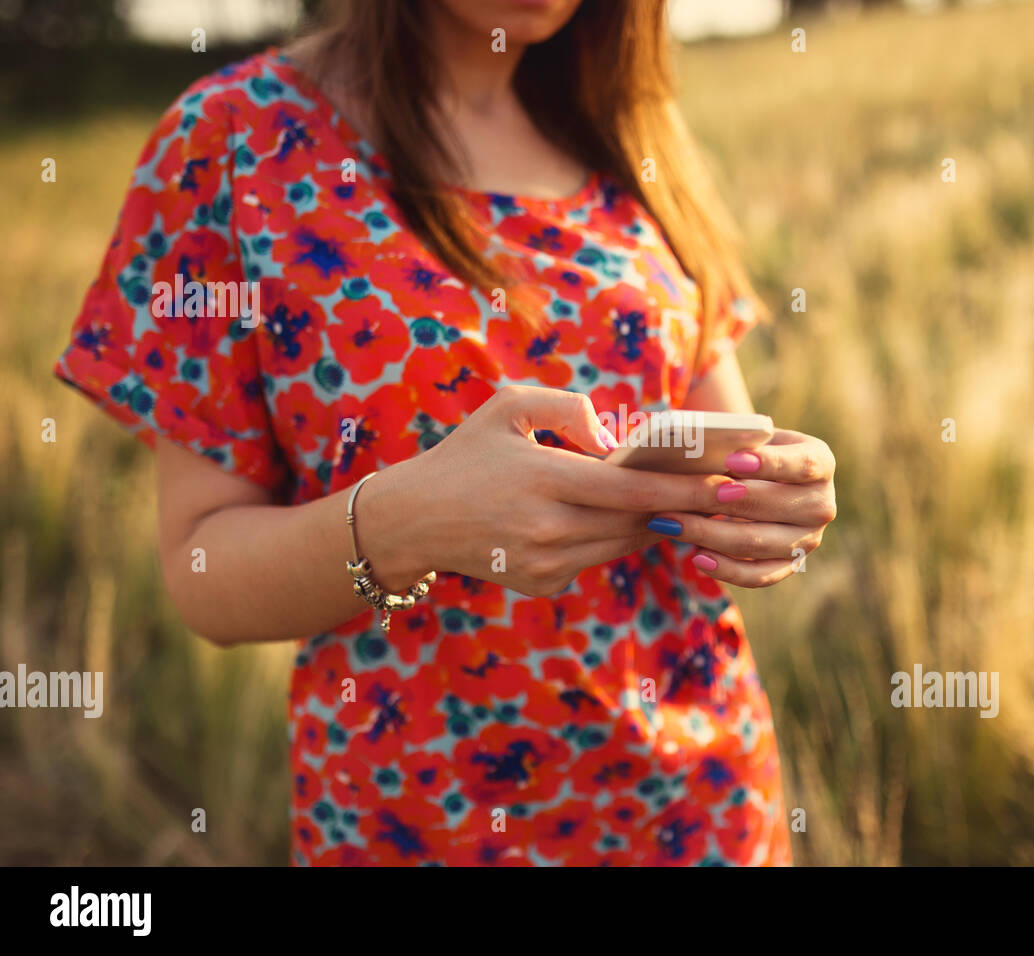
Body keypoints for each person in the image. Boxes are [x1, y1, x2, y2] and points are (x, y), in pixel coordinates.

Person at [54, 0, 836, 865]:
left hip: (699, 805)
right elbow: (201, 570)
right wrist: (409, 522)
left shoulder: (633, 130)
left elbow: (723, 454)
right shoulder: (231, 146)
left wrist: (777, 497)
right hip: (417, 822)